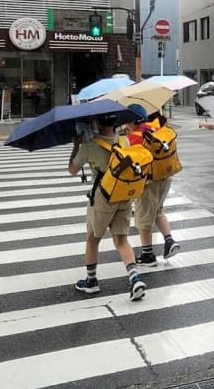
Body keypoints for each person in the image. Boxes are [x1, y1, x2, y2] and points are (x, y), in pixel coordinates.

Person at [68, 115, 146, 301]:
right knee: (121, 241)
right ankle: (135, 278)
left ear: (96, 123)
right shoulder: (124, 140)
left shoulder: (90, 145)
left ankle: (91, 281)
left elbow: (72, 169)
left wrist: (76, 145)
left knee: (92, 239)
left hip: (103, 197)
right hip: (124, 194)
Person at [122, 105, 180, 266]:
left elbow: (130, 161)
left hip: (148, 183)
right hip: (165, 177)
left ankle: (148, 255)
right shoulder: (154, 127)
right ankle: (169, 241)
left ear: (131, 121)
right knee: (158, 211)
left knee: (143, 218)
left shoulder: (134, 137)